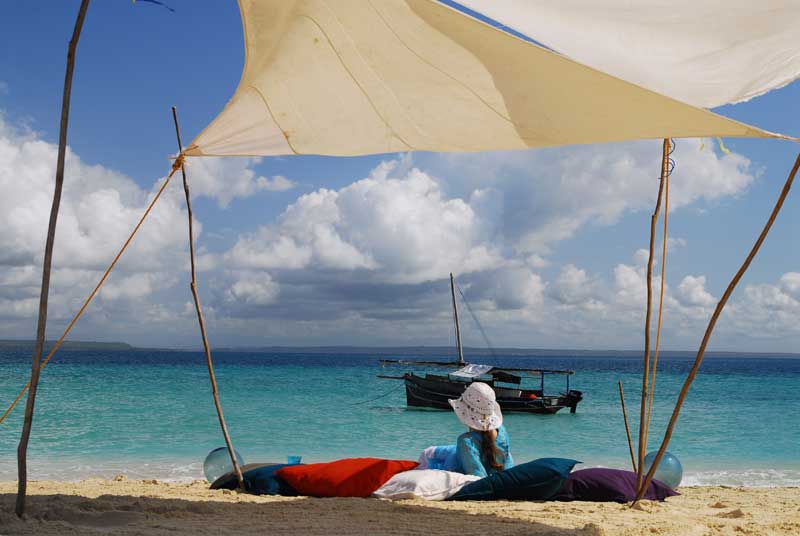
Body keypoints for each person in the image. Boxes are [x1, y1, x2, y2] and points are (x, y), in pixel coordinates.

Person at [448, 382, 513, 477]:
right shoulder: (502, 430)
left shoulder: (465, 441)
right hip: (504, 478)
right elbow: (507, 462)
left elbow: (477, 476)